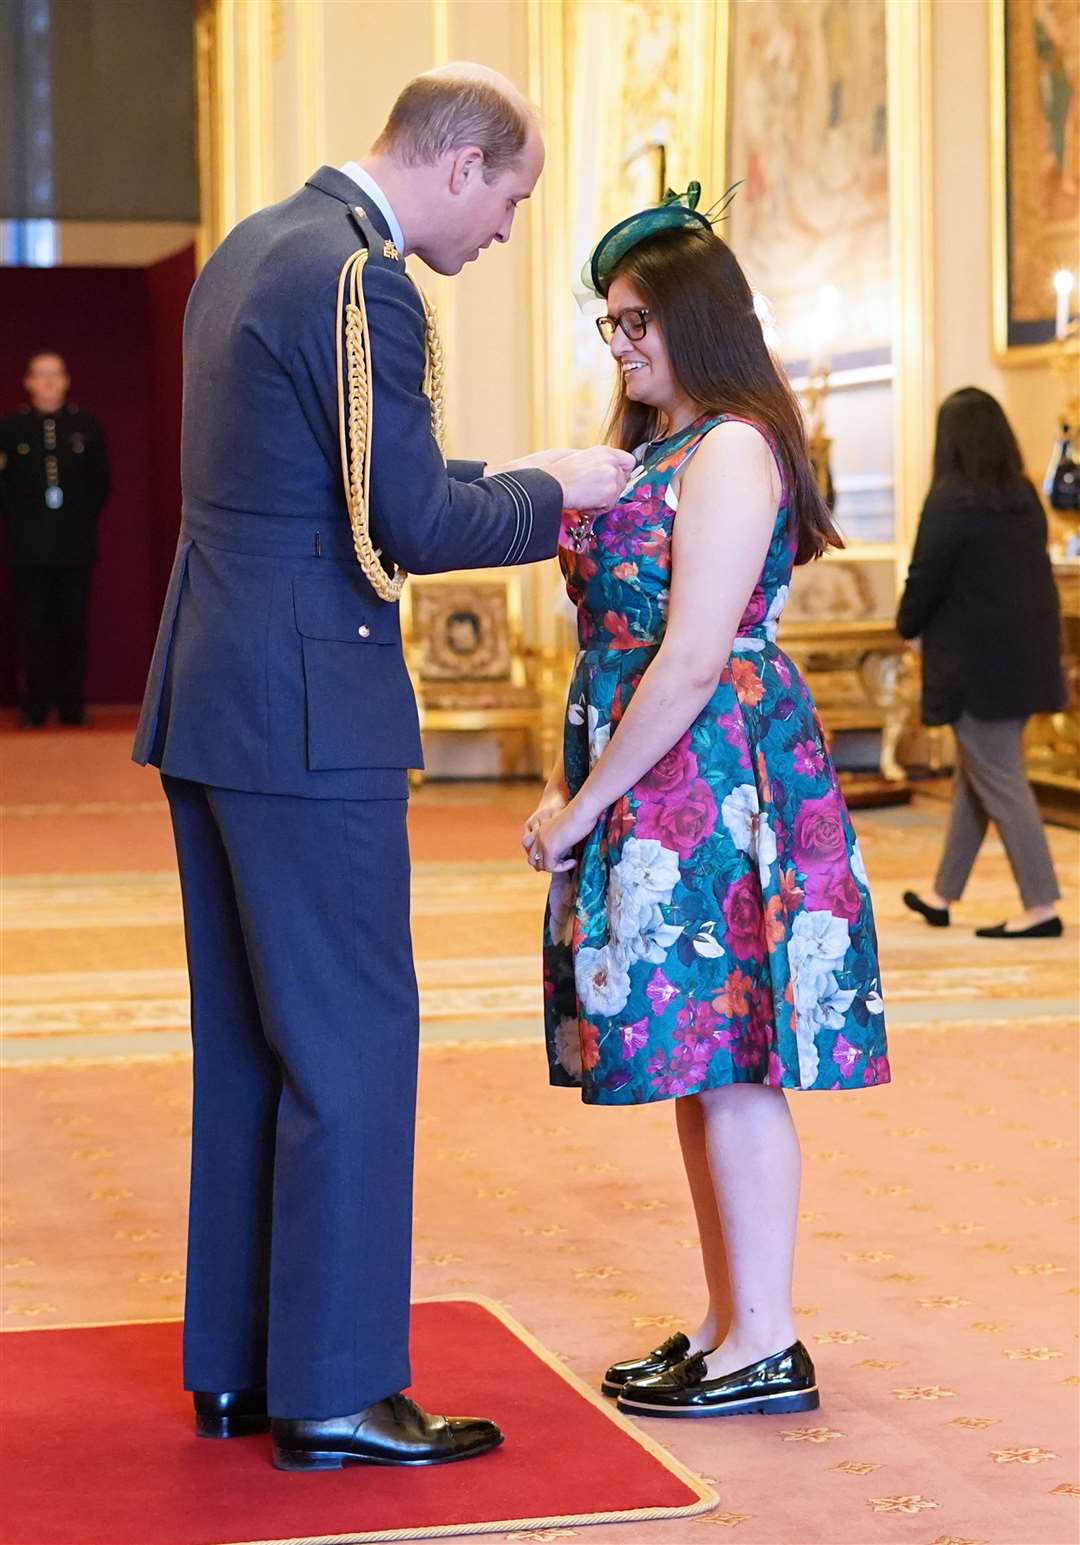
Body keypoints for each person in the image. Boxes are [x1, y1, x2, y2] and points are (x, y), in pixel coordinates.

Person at [132, 63, 634, 1472]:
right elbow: (405, 517)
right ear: (461, 164)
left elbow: (331, 478)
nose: (506, 234)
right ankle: (342, 1389)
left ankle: (239, 1369)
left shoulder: (253, 247)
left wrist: (508, 463)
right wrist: (561, 493)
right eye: (514, 200)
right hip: (309, 709)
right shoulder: (367, 283)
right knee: (352, 1043)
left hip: (214, 695)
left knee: (252, 1044)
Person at [524, 186, 889, 1420]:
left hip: (716, 775)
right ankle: (732, 1323)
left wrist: (582, 803)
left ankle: (768, 1341)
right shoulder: (655, 446)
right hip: (663, 765)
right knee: (700, 1059)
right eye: (610, 324)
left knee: (734, 1062)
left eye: (640, 321)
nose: (621, 345)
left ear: (702, 321)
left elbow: (688, 657)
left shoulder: (732, 443)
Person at [897, 388, 1065, 939]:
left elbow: (926, 575)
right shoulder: (1020, 495)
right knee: (979, 776)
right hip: (1025, 657)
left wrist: (905, 625)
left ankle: (1041, 906)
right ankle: (943, 895)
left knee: (1001, 779)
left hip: (975, 665)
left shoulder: (951, 497)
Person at [0, 352, 110, 726]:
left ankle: (71, 707)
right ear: (28, 382)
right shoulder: (11, 429)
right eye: (40, 375)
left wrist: (75, 523)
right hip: (27, 548)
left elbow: (100, 485)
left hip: (74, 546)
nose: (48, 383)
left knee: (73, 628)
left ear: (66, 381)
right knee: (32, 629)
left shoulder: (87, 426)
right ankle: (34, 708)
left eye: (55, 375)